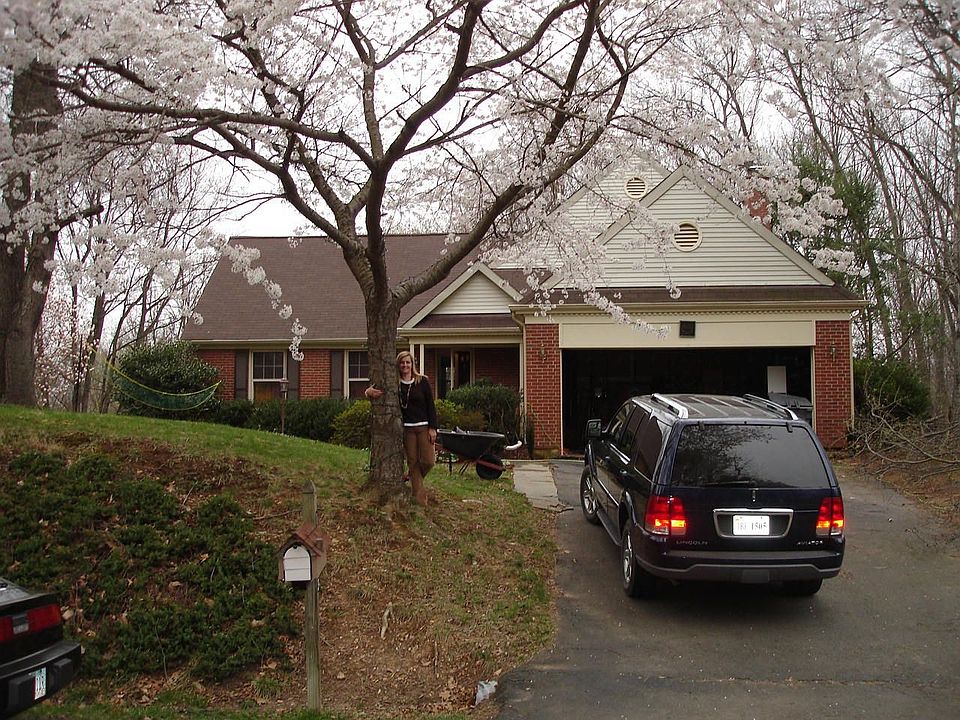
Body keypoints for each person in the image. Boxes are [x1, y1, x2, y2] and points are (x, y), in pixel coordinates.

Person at [365, 350, 438, 506]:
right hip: (408, 430)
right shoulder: (395, 384)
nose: (405, 365)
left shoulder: (422, 381)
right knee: (412, 462)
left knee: (429, 461)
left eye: (408, 362)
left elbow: (431, 406)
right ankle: (420, 500)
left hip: (424, 427)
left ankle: (413, 478)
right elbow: (378, 390)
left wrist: (433, 428)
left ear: (412, 364)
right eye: (402, 363)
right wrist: (367, 392)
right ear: (398, 365)